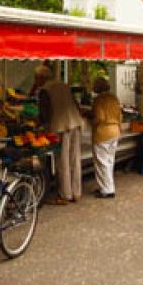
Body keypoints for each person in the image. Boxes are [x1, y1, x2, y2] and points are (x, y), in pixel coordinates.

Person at [35, 66, 85, 204]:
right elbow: (75, 104)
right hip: (75, 123)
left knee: (62, 161)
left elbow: (45, 114)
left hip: (60, 126)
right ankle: (76, 192)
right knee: (74, 158)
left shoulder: (45, 90)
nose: (35, 81)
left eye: (36, 78)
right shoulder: (63, 85)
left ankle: (65, 194)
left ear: (41, 78)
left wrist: (38, 124)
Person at [86, 77, 123, 199]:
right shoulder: (114, 98)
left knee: (102, 162)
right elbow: (120, 116)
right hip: (115, 131)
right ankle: (107, 187)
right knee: (110, 161)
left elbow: (100, 117)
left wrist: (92, 122)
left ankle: (107, 190)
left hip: (103, 132)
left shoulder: (99, 100)